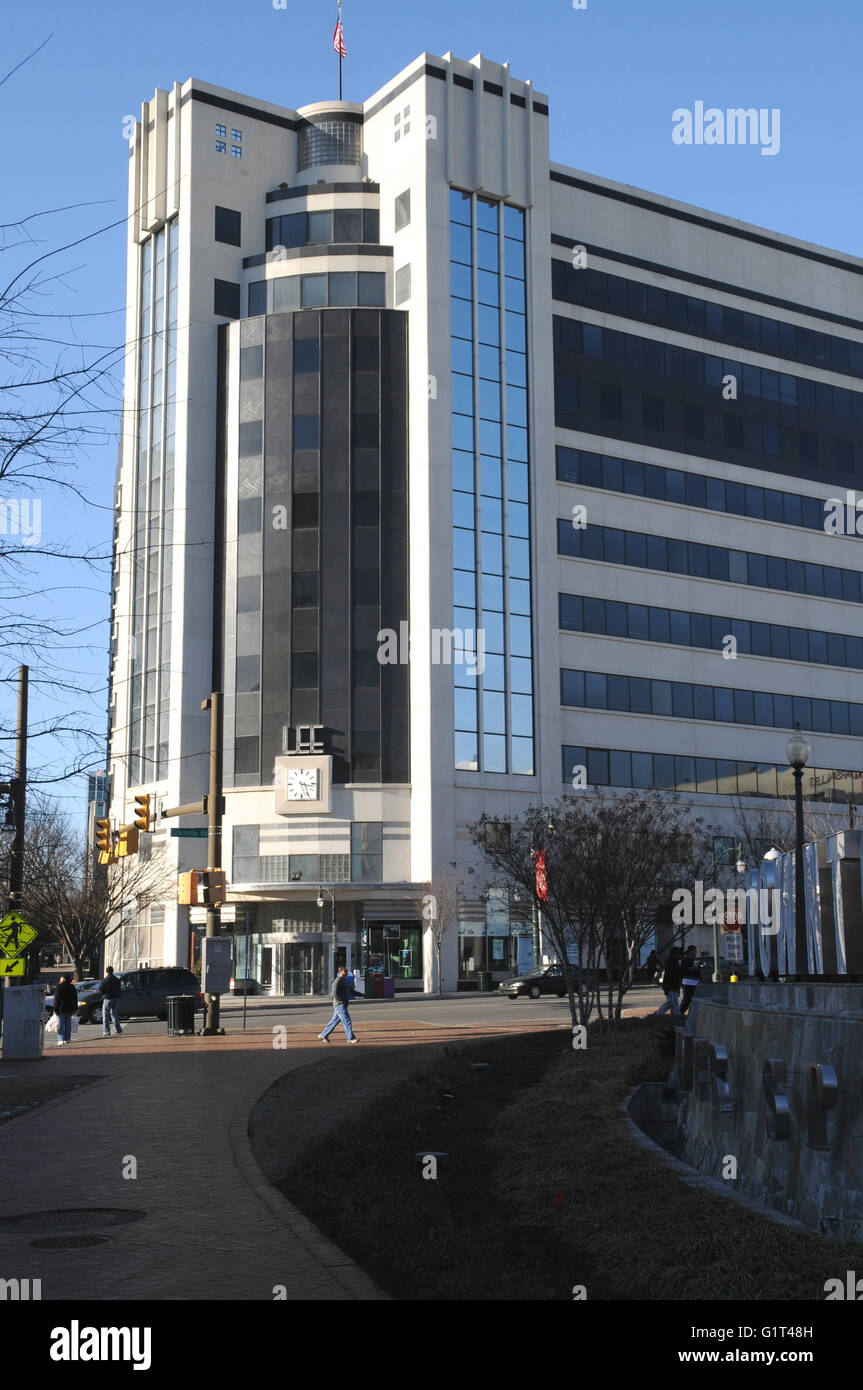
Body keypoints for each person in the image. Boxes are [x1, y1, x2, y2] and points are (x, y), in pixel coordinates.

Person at [318, 965, 359, 1044]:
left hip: (343, 1005)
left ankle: (323, 1034)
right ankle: (350, 1038)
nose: (346, 972)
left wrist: (361, 994)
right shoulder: (337, 981)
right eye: (344, 971)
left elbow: (351, 991)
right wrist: (339, 1001)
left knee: (334, 1021)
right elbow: (334, 992)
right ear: (340, 972)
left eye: (346, 971)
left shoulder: (345, 981)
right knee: (347, 1021)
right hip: (340, 1005)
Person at [655, 947, 682, 1017]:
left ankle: (676, 1016)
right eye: (679, 953)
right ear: (676, 953)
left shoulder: (671, 960)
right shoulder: (672, 961)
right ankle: (658, 1013)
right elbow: (673, 975)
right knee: (671, 1002)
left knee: (674, 1002)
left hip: (671, 985)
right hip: (671, 985)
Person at [53, 975, 78, 1046]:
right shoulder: (72, 987)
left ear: (63, 979)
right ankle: (67, 1039)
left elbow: (57, 999)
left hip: (61, 1008)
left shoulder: (59, 987)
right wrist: (75, 1008)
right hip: (70, 1009)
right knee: (68, 1024)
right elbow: (75, 998)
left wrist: (55, 1008)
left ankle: (61, 1039)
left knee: (61, 1024)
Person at [99, 965, 123, 1037]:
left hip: (107, 998)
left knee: (105, 1015)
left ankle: (106, 1031)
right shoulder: (116, 979)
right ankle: (118, 1029)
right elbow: (119, 988)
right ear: (113, 971)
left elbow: (101, 988)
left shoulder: (105, 979)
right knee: (114, 1014)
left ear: (107, 971)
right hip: (115, 998)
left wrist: (104, 993)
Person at [680, 945, 701, 1016]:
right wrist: (691, 969)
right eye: (695, 951)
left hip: (696, 981)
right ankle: (680, 1013)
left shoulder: (695, 960)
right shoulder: (685, 959)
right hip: (688, 981)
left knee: (695, 999)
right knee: (687, 999)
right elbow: (683, 971)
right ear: (690, 951)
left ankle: (692, 1014)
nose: (696, 952)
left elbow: (698, 970)